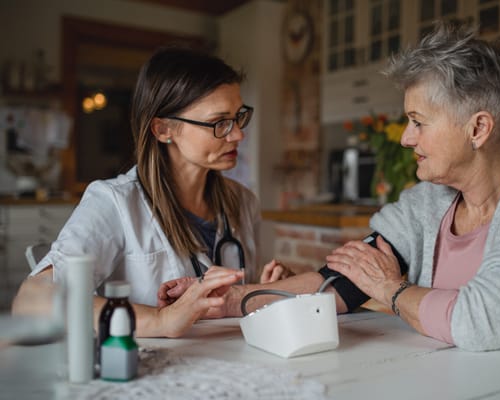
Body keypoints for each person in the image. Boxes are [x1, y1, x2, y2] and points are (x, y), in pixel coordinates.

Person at [161, 21, 500, 360]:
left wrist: (391, 290)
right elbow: (347, 283)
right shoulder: (426, 203)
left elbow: (484, 322)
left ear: (478, 128)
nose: (406, 138)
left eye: (418, 122)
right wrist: (231, 300)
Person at [12, 45, 291, 338]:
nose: (237, 134)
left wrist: (264, 287)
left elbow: (235, 300)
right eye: (219, 122)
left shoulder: (243, 202)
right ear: (163, 130)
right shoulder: (115, 202)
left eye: (238, 117)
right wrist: (161, 319)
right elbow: (31, 301)